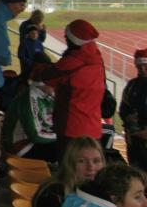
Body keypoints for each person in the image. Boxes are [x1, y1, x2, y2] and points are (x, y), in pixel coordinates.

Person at [35, 19, 105, 161]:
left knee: (69, 168)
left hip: (71, 128)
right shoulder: (97, 59)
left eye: (67, 37)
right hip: (93, 128)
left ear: (73, 41)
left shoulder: (71, 62)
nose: (65, 39)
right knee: (90, 170)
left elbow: (45, 76)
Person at [2, 53, 58, 162]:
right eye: (54, 83)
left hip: (30, 141)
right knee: (68, 150)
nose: (56, 86)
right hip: (19, 146)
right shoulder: (29, 98)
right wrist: (60, 136)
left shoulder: (45, 95)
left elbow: (49, 121)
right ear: (43, 83)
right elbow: (35, 135)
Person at [119, 48, 147, 171]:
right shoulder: (132, 85)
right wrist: (127, 117)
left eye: (146, 66)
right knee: (136, 172)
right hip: (135, 142)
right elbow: (123, 108)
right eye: (139, 67)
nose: (143, 70)